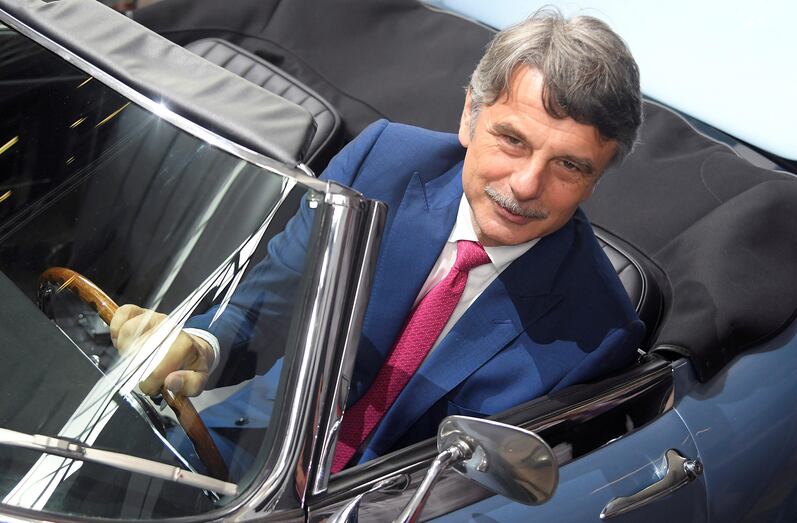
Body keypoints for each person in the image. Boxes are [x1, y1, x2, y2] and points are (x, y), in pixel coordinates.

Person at [112, 9, 645, 472]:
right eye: (512, 139)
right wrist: (200, 349)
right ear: (469, 116)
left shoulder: (598, 333)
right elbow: (267, 303)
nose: (526, 185)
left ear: (596, 179)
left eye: (569, 167)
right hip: (237, 452)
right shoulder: (382, 163)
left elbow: (477, 491)